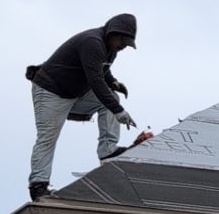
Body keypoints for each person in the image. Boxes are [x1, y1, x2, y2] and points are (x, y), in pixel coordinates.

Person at [25, 12, 139, 201]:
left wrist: (113, 82)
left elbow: (102, 70)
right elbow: (95, 79)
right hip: (50, 91)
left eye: (126, 44)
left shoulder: (111, 49)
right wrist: (119, 111)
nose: (123, 46)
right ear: (113, 33)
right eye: (122, 41)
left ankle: (107, 151)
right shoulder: (92, 42)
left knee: (111, 97)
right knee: (48, 137)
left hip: (73, 93)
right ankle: (38, 186)